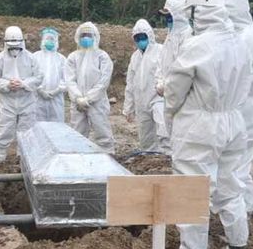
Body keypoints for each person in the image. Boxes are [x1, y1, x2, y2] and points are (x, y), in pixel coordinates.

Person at [163, 0, 252, 249]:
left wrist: (171, 112)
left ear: (198, 9)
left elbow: (175, 91)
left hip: (201, 126)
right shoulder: (239, 42)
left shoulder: (198, 45)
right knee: (229, 186)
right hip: (233, 122)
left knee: (192, 192)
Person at [223, 0, 253, 213]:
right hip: (239, 108)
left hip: (246, 110)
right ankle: (242, 209)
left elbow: (234, 72)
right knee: (235, 165)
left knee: (239, 167)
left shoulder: (249, 37)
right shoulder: (240, 35)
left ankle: (244, 211)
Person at [0, 26, 43, 162]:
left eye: (17, 47)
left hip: (27, 102)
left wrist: (23, 84)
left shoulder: (30, 58)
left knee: (26, 134)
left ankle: (23, 162)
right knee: (3, 133)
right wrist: (7, 85)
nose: (14, 50)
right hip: (7, 103)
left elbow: (39, 77)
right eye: (11, 47)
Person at [65, 22, 116, 153]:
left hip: (97, 102)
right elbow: (70, 81)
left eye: (89, 35)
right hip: (78, 104)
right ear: (78, 37)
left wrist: (89, 98)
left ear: (95, 36)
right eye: (83, 35)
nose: (85, 38)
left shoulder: (102, 57)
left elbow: (103, 82)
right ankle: (78, 158)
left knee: (102, 130)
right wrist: (78, 98)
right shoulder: (73, 57)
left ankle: (108, 156)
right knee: (77, 133)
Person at [123, 19, 169, 153]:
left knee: (163, 129)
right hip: (141, 102)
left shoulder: (161, 51)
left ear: (150, 36)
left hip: (158, 98)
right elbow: (130, 83)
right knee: (145, 135)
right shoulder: (135, 57)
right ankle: (150, 160)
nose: (140, 41)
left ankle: (168, 158)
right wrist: (128, 108)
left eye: (143, 37)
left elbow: (169, 71)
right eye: (137, 38)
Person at [156, 0, 193, 136]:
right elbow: (162, 62)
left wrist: (167, 84)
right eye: (166, 17)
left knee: (183, 134)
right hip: (168, 94)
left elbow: (182, 69)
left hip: (182, 98)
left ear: (178, 16)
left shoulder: (188, 37)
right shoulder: (170, 37)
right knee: (171, 133)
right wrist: (159, 81)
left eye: (169, 16)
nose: (167, 21)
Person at [33, 27, 67, 122]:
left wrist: (57, 90)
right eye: (47, 39)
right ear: (42, 40)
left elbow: (66, 78)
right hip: (37, 98)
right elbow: (30, 76)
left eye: (52, 39)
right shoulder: (35, 57)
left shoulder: (61, 59)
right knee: (37, 126)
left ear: (56, 41)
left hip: (56, 99)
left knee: (56, 126)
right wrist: (39, 90)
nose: (49, 41)